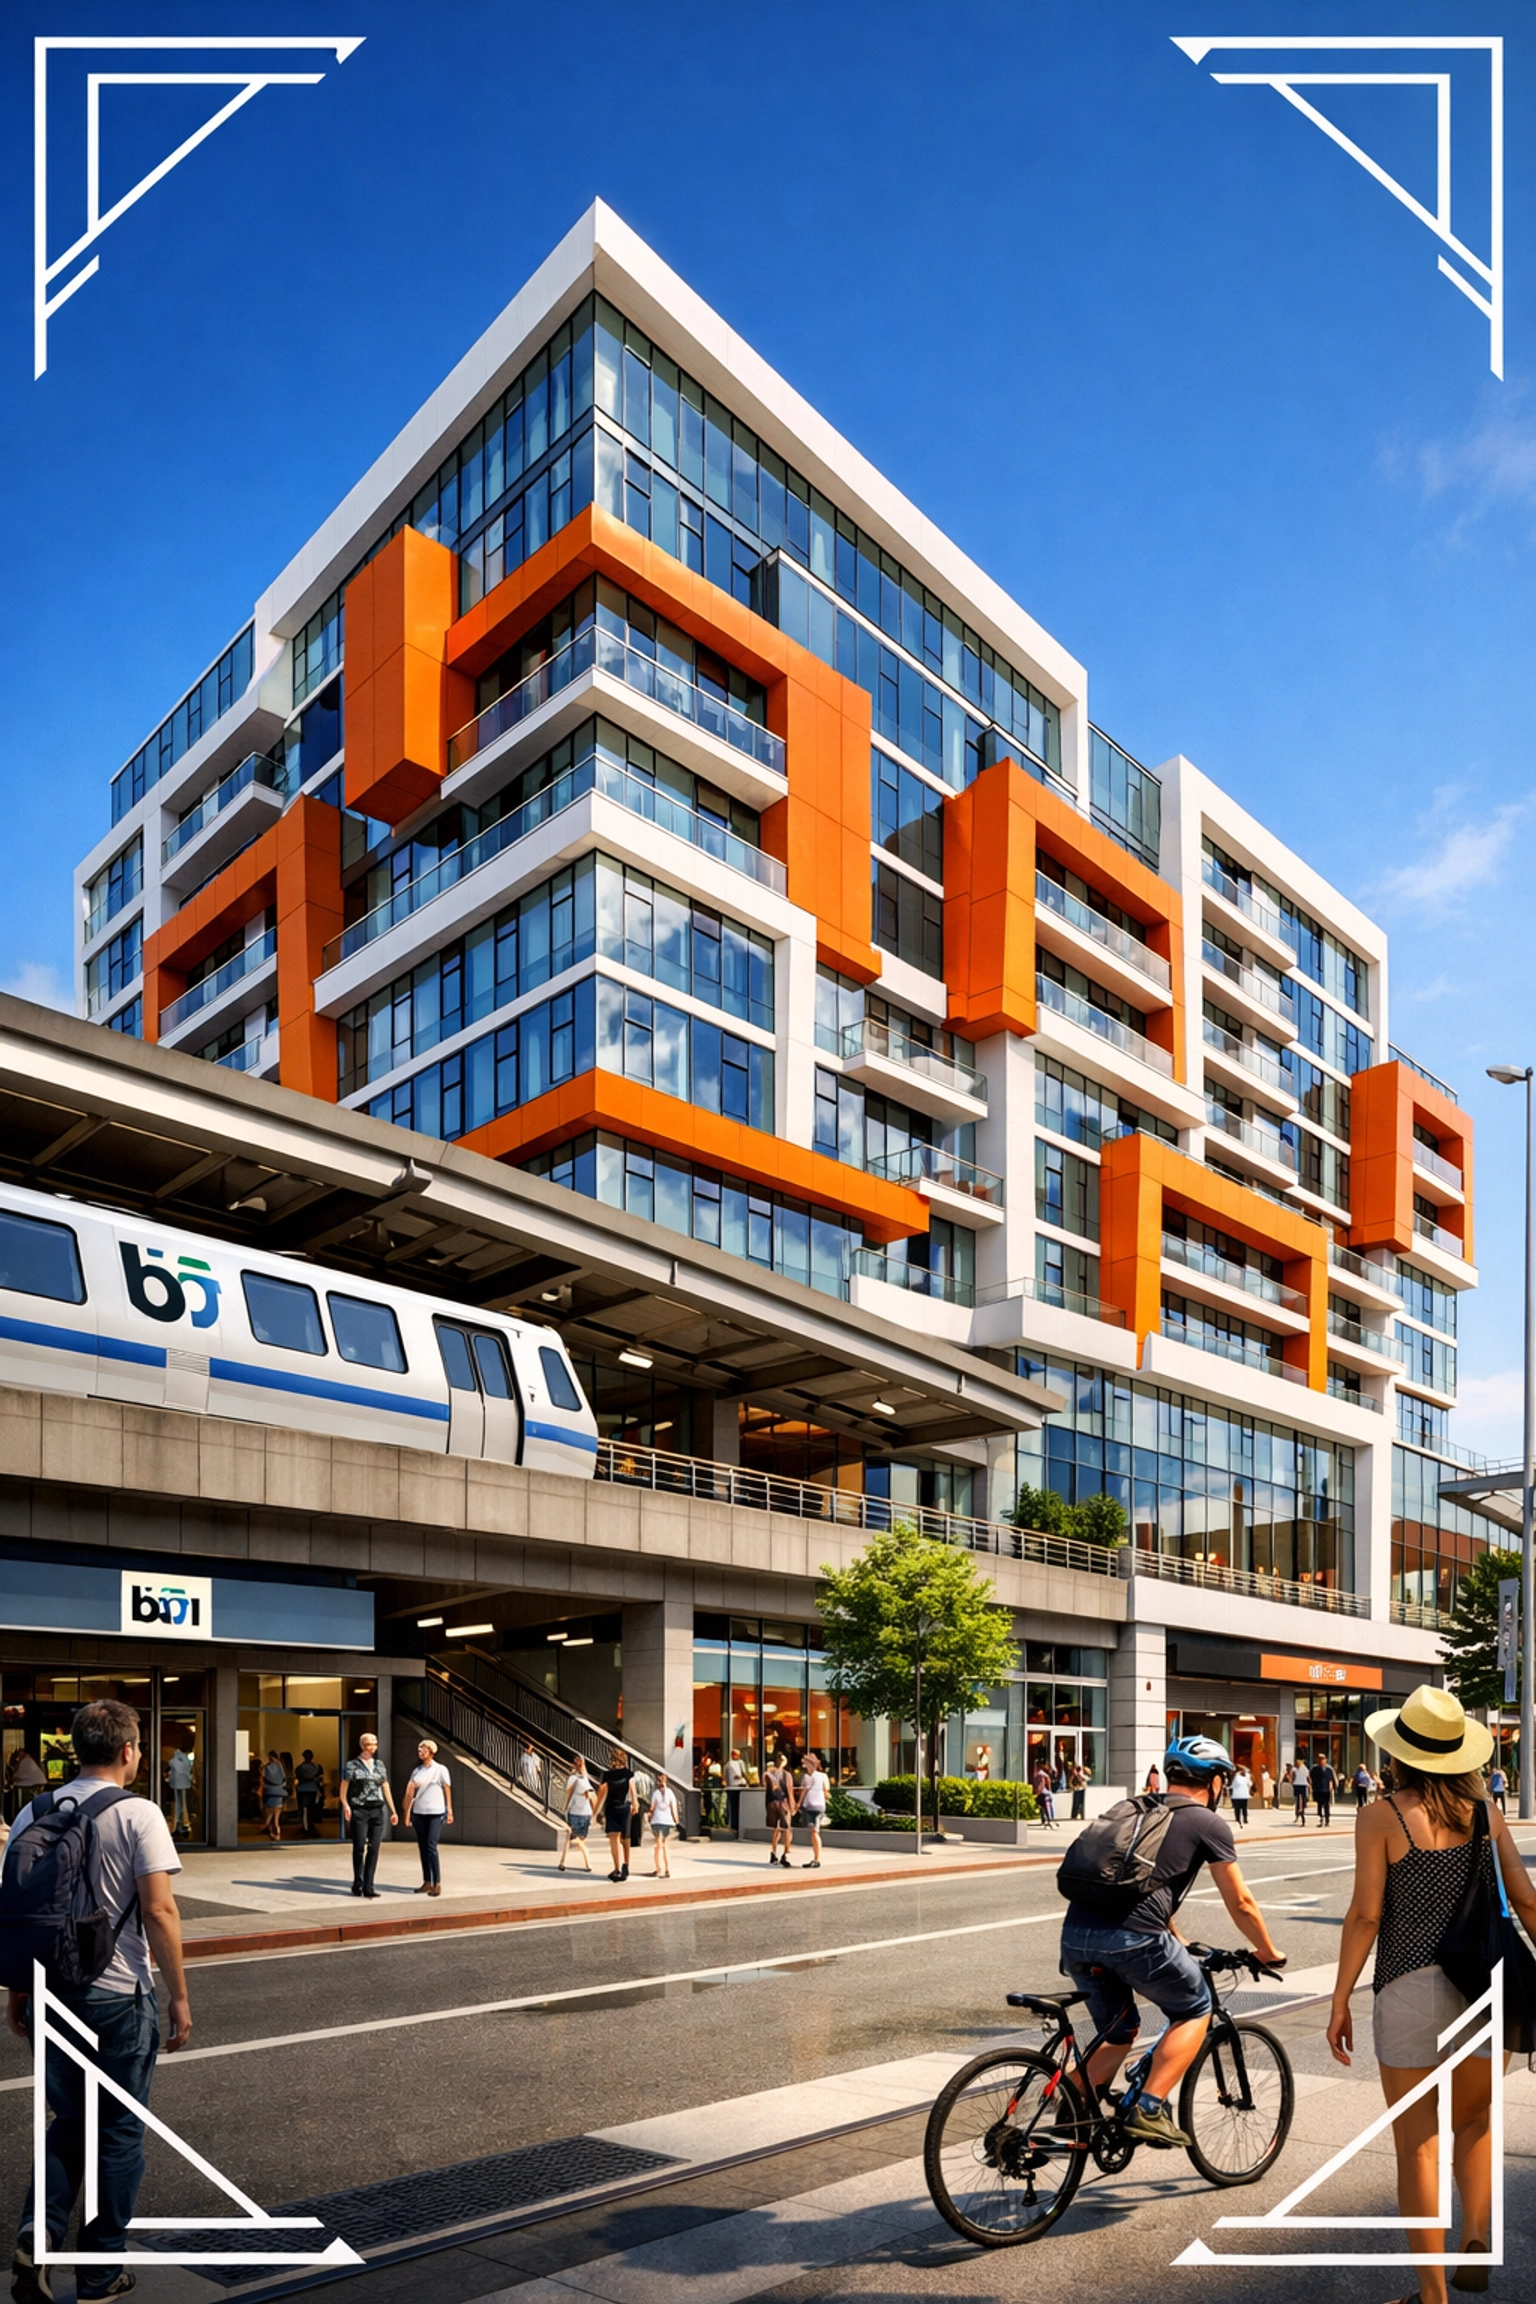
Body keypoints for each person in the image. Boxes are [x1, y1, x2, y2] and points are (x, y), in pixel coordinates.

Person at [1328, 1685, 1536, 2304]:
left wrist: (1340, 1999)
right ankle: (1475, 2238)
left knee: (1416, 2145)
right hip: (1484, 1985)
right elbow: (1525, 1899)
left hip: (1409, 1986)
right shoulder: (1485, 1813)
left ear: (1400, 1753)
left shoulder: (1382, 1815)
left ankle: (1433, 2296)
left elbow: (1366, 1915)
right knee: (1474, 2121)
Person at [7, 1697, 192, 2304]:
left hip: (46, 1992)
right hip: (115, 1998)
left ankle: (39, 2235)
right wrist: (179, 1997)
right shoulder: (140, 1814)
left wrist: (15, 1992)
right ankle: (101, 2271)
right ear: (130, 1751)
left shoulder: (33, 1810)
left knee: (69, 2121)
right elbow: (161, 1909)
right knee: (116, 2132)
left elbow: (17, 1911)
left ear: (75, 1748)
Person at [1060, 1735, 1285, 2148]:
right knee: (1195, 2008)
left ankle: (1065, 2113)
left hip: (1076, 1937)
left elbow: (1146, 1886)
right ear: (1216, 1782)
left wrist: (1179, 1938)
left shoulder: (1136, 1809)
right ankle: (1148, 2107)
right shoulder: (1207, 1822)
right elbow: (1242, 1903)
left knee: (1119, 2031)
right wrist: (1268, 1951)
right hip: (1136, 1940)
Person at [339, 1732, 397, 1899]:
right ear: (363, 1745)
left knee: (374, 1848)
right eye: (370, 1743)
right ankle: (358, 1882)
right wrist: (345, 1805)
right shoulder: (352, 1765)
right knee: (359, 1847)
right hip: (360, 1809)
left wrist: (393, 1810)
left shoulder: (380, 1765)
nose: (373, 1747)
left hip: (377, 1809)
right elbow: (344, 1786)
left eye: (375, 1743)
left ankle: (369, 1885)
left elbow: (385, 1786)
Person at [402, 1738, 453, 1897]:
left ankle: (437, 1883)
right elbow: (410, 1793)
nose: (420, 1752)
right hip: (419, 1812)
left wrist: (449, 1810)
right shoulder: (417, 1771)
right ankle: (426, 1881)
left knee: (431, 1846)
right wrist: (407, 1813)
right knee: (422, 1847)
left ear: (431, 1751)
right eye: (419, 1749)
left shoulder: (440, 1769)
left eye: (423, 1749)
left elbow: (447, 1789)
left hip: (435, 1812)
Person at [595, 1747, 636, 1883]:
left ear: (612, 1759)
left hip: (611, 1808)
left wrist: (595, 1812)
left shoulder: (607, 1775)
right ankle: (626, 1865)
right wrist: (635, 1803)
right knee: (626, 1838)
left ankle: (617, 1869)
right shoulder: (629, 1774)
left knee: (614, 1839)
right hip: (624, 1807)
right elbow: (632, 1790)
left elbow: (601, 1792)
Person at [560, 1755, 596, 1872]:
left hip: (574, 1812)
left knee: (570, 1839)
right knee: (581, 1841)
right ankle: (588, 1864)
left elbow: (568, 1795)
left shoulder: (572, 1779)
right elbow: (591, 1797)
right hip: (586, 1813)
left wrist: (565, 1808)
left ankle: (563, 1862)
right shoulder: (586, 1779)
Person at [764, 1751, 795, 1866]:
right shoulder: (786, 1775)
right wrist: (793, 1806)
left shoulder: (768, 1774)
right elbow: (789, 1791)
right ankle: (785, 1854)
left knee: (775, 1829)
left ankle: (773, 1852)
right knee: (787, 1829)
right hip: (783, 1803)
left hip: (772, 1803)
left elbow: (767, 1790)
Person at [798, 1751, 828, 1869]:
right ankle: (816, 1857)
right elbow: (804, 1791)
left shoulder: (816, 1776)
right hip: (812, 1805)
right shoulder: (809, 1777)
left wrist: (798, 1804)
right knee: (813, 1831)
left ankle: (817, 1859)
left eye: (806, 1763)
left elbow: (825, 1791)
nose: (804, 1765)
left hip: (815, 1806)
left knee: (815, 1831)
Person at [649, 1772, 680, 1876]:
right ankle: (666, 1868)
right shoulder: (670, 1793)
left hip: (658, 1820)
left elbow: (652, 1807)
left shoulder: (656, 1793)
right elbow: (673, 1806)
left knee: (659, 1845)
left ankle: (659, 1868)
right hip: (666, 1821)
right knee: (664, 1845)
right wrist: (676, 1819)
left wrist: (649, 1817)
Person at [294, 1749, 325, 1838]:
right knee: (311, 1809)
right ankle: (310, 1825)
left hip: (302, 1789)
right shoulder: (317, 1767)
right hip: (313, 1789)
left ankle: (304, 1827)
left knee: (303, 1809)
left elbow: (297, 1778)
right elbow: (320, 1779)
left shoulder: (300, 1768)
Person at [165, 1745, 194, 1838]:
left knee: (179, 1803)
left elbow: (173, 1765)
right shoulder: (184, 1759)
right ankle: (182, 1824)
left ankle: (180, 1824)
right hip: (182, 1783)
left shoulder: (176, 1759)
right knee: (182, 1803)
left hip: (177, 1783)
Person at [260, 1748, 287, 1840]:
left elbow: (262, 1776)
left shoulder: (266, 1767)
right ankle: (277, 1832)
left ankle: (269, 1829)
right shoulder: (280, 1767)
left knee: (269, 1813)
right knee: (276, 1817)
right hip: (279, 1792)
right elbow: (284, 1780)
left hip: (269, 1792)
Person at [1311, 1751, 1338, 1828]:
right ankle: (1320, 1819)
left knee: (1326, 1805)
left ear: (1325, 1760)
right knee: (1319, 1805)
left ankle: (1327, 1819)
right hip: (1318, 1789)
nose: (1321, 1761)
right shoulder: (1315, 1769)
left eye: (1322, 1759)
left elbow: (1332, 1779)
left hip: (1326, 1790)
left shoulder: (1329, 1769)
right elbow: (1311, 1778)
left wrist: (1333, 1787)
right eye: (1319, 1759)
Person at [725, 1749, 747, 1833]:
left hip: (735, 1788)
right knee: (734, 1807)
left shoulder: (729, 1764)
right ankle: (734, 1826)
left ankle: (735, 1826)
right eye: (737, 1755)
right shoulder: (730, 1765)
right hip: (734, 1788)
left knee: (734, 1807)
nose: (738, 1756)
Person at [1033, 1760, 1057, 1828]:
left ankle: (1048, 1819)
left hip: (1043, 1792)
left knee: (1045, 1807)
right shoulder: (1040, 1773)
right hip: (1044, 1792)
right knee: (1045, 1807)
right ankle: (1049, 1819)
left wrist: (1039, 1791)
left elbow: (1042, 1783)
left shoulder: (1040, 1774)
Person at [1230, 1763, 1252, 1829]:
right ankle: (1245, 1819)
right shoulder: (1246, 1776)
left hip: (1236, 1795)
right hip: (1244, 1794)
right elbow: (1250, 1784)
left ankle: (1238, 1818)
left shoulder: (1235, 1776)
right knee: (1244, 1807)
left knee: (1237, 1808)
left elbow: (1232, 1785)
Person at [1291, 1758, 1310, 1823]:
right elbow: (1308, 1777)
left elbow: (1293, 1777)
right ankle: (1301, 1811)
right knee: (1302, 1799)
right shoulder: (1305, 1768)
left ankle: (1299, 1813)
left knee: (1298, 1801)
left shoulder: (1295, 1769)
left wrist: (1292, 1783)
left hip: (1298, 1785)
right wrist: (1310, 1784)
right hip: (1303, 1785)